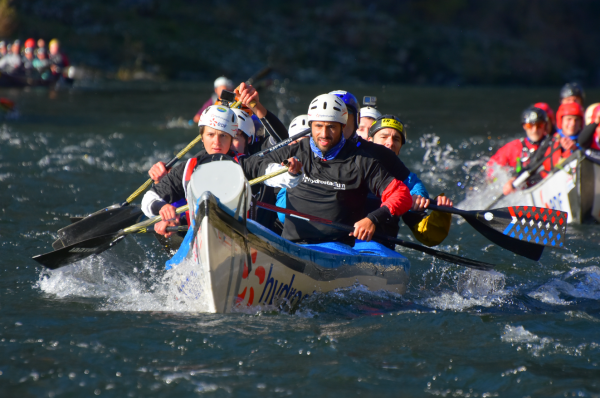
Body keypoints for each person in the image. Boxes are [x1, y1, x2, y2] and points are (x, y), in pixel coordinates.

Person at [237, 89, 413, 245]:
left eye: (331, 127)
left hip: (336, 251)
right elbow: (248, 165)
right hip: (291, 246)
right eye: (318, 126)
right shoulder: (296, 150)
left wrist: (372, 219)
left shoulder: (361, 160)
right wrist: (281, 173)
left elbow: (402, 195)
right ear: (311, 126)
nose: (324, 134)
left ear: (343, 126)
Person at [142, 103, 302, 236]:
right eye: (210, 135)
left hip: (242, 239)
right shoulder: (186, 168)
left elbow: (272, 172)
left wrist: (291, 171)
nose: (216, 142)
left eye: (223, 136)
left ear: (231, 137)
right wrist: (162, 208)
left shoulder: (245, 163)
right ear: (202, 137)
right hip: (199, 239)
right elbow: (150, 198)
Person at [367, 115, 453, 246]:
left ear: (400, 147)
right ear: (369, 141)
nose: (390, 143)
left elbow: (430, 237)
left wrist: (442, 214)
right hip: (344, 240)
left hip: (379, 247)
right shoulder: (349, 165)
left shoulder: (410, 183)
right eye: (383, 137)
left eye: (396, 139)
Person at [487, 107, 550, 194]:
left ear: (545, 126)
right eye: (530, 126)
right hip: (518, 190)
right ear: (524, 126)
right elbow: (492, 168)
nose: (535, 130)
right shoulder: (513, 148)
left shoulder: (552, 144)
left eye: (539, 125)